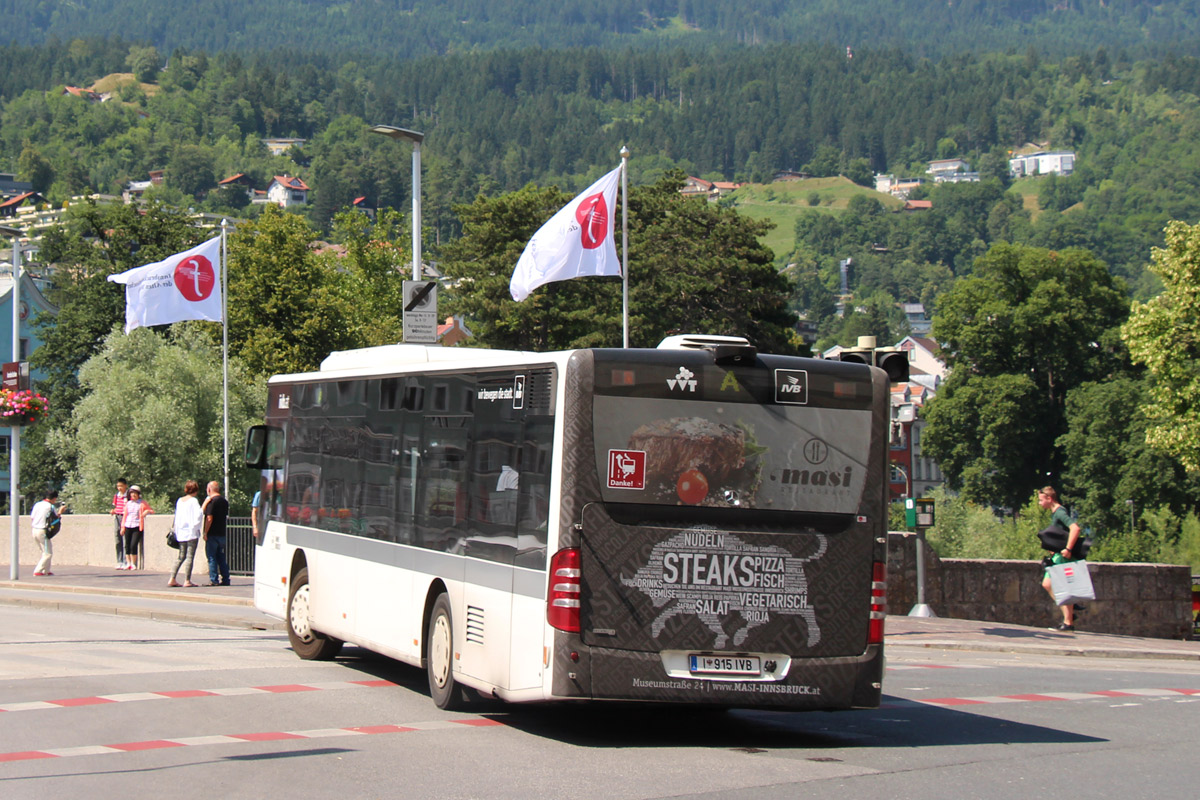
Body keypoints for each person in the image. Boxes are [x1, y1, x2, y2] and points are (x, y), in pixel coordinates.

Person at [1038, 486, 1083, 632]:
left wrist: (1068, 549)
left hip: (1062, 556)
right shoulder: (1055, 513)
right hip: (1058, 554)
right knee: (1049, 584)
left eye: (1041, 500)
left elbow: (1075, 528)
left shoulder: (1059, 512)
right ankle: (1069, 614)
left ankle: (1069, 620)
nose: (1039, 503)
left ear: (1049, 499)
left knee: (1055, 584)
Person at [168, 480, 204, 587]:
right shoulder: (193, 501)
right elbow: (198, 515)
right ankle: (187, 580)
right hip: (191, 532)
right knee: (189, 557)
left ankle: (172, 578)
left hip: (181, 532)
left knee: (181, 556)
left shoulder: (180, 501)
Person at [202, 480, 231, 586]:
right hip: (222, 533)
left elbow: (209, 517)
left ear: (209, 489)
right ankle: (226, 578)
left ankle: (214, 579)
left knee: (211, 557)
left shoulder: (211, 501)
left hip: (212, 533)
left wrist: (205, 532)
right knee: (221, 557)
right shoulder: (224, 501)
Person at [30, 489, 61, 576]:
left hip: (34, 530)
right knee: (48, 553)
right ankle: (38, 571)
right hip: (43, 531)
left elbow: (32, 517)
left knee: (45, 551)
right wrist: (60, 512)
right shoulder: (50, 507)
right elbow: (55, 519)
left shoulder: (37, 504)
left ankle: (46, 570)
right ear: (54, 498)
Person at [120, 485, 151, 570]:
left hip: (137, 525)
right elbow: (125, 516)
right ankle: (128, 563)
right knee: (127, 545)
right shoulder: (128, 504)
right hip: (127, 525)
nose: (133, 495)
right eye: (132, 493)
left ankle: (133, 563)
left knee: (133, 545)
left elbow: (151, 510)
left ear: (138, 494)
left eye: (135, 493)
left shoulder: (142, 503)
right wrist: (122, 527)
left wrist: (146, 511)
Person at [110, 479, 129, 569]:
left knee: (125, 539)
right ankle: (119, 561)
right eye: (118, 486)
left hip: (125, 518)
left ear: (125, 486)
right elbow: (116, 507)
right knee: (118, 540)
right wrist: (113, 511)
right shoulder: (116, 496)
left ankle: (125, 561)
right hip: (117, 517)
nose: (119, 488)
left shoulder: (128, 496)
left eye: (121, 486)